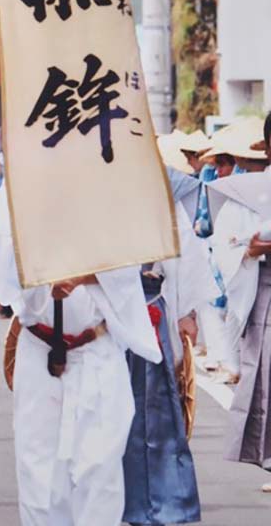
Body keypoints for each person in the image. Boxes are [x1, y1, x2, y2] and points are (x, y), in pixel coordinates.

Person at [0, 184, 162, 526]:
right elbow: (3, 260)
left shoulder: (110, 182)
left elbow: (130, 259)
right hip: (40, 348)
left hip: (97, 347)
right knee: (38, 466)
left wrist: (84, 274)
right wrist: (40, 267)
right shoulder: (20, 183)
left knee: (100, 464)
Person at [122, 167, 216, 526]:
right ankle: (105, 500)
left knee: (154, 411)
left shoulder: (159, 191)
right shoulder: (94, 193)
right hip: (102, 315)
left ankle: (163, 501)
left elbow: (187, 258)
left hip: (149, 310)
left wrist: (187, 313)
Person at [207, 112, 271, 482]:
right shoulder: (247, 192)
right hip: (264, 290)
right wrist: (251, 249)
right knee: (264, 373)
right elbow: (226, 243)